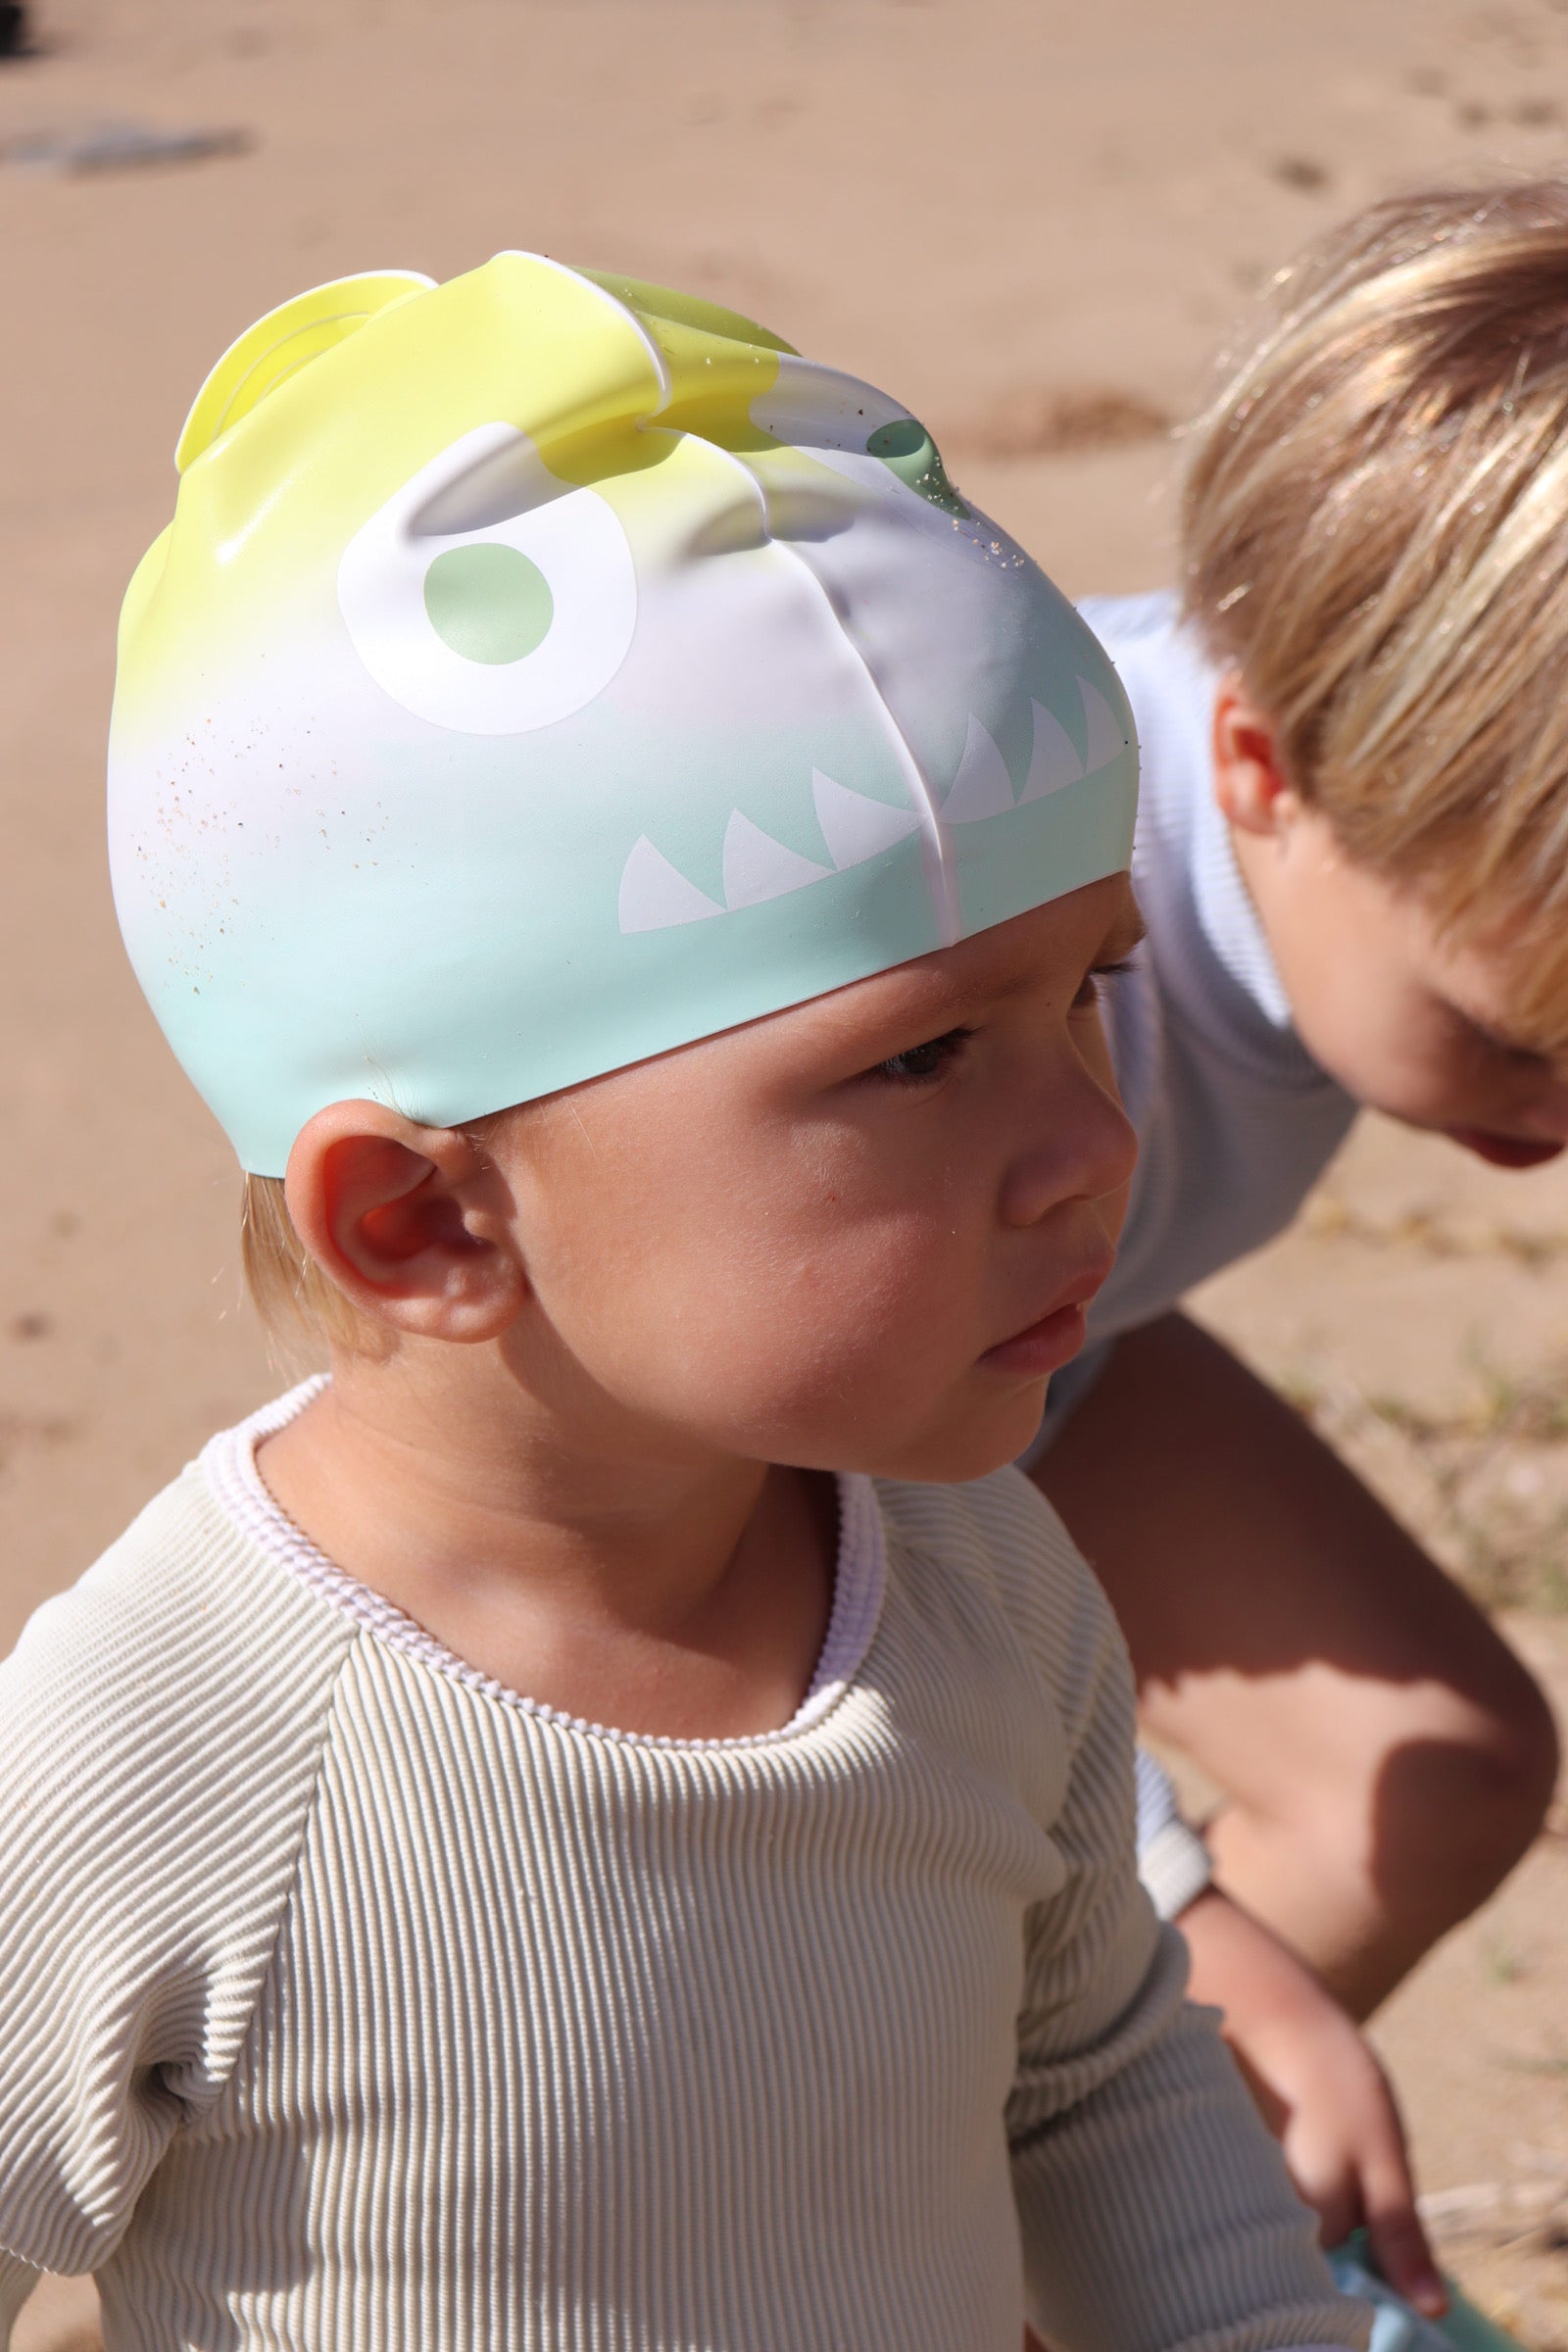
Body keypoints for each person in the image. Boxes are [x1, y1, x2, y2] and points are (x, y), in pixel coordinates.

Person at [0, 255, 1366, 2352]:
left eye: (1085, 989)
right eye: (916, 1058)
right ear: (428, 1224)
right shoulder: (167, 1744)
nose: (1095, 1139)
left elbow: (1091, 2076)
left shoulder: (980, 1590)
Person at [1025, 181, 1568, 2318]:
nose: (1549, 1134)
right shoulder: (1030, 983)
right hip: (739, 1464)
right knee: (834, 1958)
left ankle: (1071, 2243)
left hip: (1032, 1340)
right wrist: (1177, 1930)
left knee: (1424, 1778)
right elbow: (806, 1517)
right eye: (1512, 1044)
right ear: (1253, 766)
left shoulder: (1431, 790)